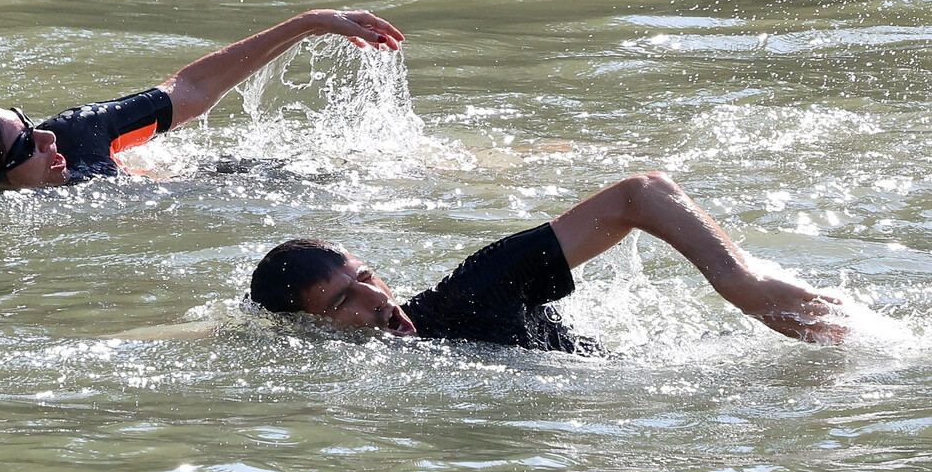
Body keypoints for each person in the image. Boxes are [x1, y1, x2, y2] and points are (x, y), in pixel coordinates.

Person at [249, 172, 849, 352]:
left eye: (365, 277)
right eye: (342, 301)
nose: (375, 299)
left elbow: (639, 193)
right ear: (309, 328)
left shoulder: (471, 293)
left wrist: (738, 280)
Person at [0, 9, 404, 188]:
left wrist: (307, 23)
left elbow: (190, 90)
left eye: (26, 122)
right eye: (24, 146)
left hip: (233, 176)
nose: (44, 137)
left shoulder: (76, 135)